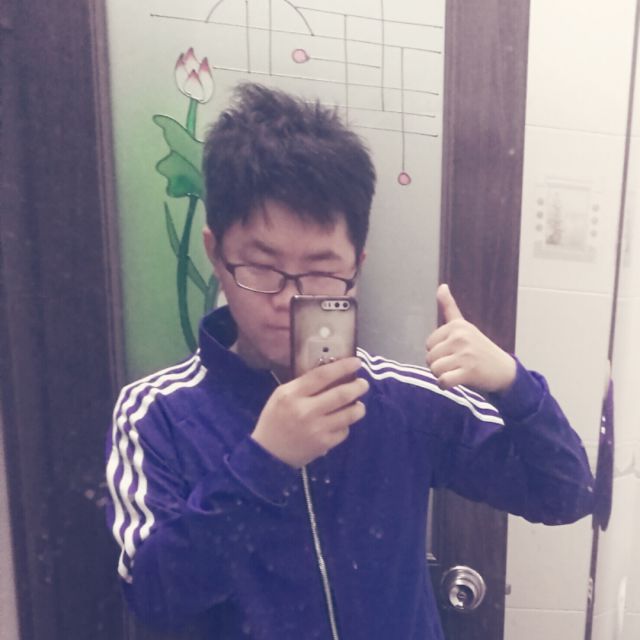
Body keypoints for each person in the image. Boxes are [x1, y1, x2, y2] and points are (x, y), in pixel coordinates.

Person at [106, 83, 594, 640]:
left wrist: (512, 383)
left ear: (355, 267)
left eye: (320, 271)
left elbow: (567, 493)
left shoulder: (400, 402)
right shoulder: (157, 415)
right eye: (262, 267)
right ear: (216, 254)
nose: (289, 300)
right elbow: (156, 599)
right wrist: (264, 461)